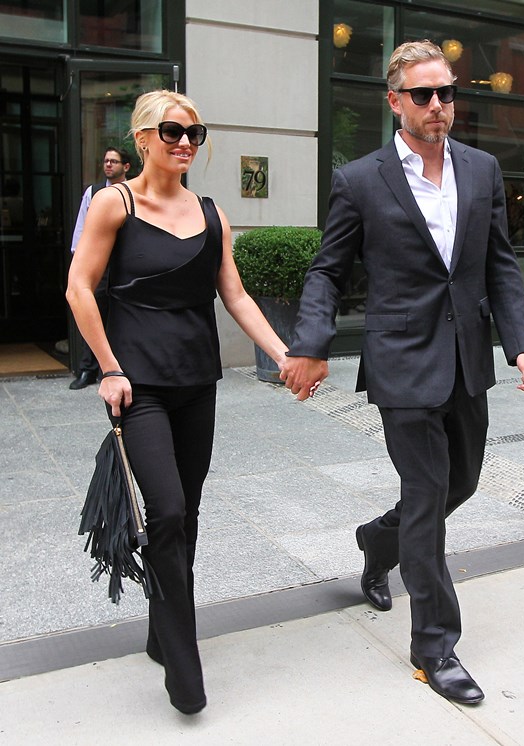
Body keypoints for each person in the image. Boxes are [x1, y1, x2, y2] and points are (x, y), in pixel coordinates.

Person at [280, 40, 524, 705]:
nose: (437, 105)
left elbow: (500, 263)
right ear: (394, 100)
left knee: (462, 482)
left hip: (466, 358)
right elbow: (327, 271)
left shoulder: (483, 169)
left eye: (446, 92)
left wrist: (521, 343)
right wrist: (310, 344)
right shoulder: (360, 180)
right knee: (427, 498)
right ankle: (435, 647)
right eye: (422, 94)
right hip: (401, 360)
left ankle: (378, 541)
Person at [66, 90, 288, 714]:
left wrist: (283, 353)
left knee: (185, 515)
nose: (185, 142)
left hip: (196, 383)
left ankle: (160, 632)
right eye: (172, 131)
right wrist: (109, 368)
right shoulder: (115, 204)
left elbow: (235, 295)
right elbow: (79, 288)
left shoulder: (211, 213)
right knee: (163, 511)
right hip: (137, 384)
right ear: (143, 139)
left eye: (194, 133)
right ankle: (185, 672)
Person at [68, 148, 132, 389]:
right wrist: (80, 261)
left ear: (126, 166)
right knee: (92, 313)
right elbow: (81, 229)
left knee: (125, 315)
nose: (108, 165)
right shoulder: (93, 193)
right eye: (106, 161)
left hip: (127, 265)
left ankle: (123, 367)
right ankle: (88, 369)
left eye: (113, 161)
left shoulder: (134, 192)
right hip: (99, 264)